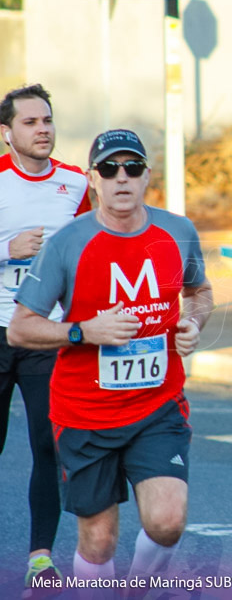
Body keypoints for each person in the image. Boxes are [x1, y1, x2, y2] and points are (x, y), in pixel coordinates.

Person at [8, 129, 213, 584]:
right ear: (92, 179)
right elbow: (21, 327)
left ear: (146, 177)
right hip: (85, 413)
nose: (122, 178)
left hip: (157, 406)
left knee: (167, 521)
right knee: (99, 540)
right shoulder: (69, 243)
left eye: (132, 168)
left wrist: (193, 323)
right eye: (109, 169)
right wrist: (83, 331)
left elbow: (200, 291)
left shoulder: (177, 232)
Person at [0, 84, 91, 592]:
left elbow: (93, 253)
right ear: (6, 133)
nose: (43, 130)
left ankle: (40, 557)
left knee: (47, 447)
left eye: (48, 120)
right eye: (31, 122)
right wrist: (7, 247)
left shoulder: (76, 185)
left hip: (43, 335)